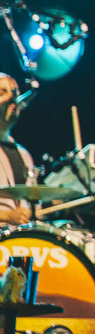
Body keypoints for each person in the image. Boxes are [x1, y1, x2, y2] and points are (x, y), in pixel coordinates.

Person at [0, 74, 33, 227]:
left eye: (15, 93)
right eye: (2, 92)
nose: (12, 99)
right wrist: (7, 215)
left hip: (17, 239)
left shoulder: (24, 155)